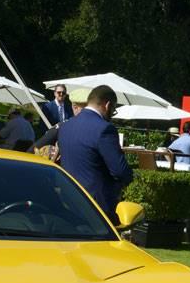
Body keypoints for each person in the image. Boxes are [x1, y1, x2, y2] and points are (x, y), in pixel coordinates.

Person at [56, 84, 133, 223]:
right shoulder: (105, 129)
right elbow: (120, 171)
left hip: (66, 202)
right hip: (96, 207)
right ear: (108, 105)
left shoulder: (65, 127)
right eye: (113, 110)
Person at [34, 90, 88, 158]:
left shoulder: (63, 125)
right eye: (86, 108)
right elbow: (35, 149)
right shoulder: (62, 126)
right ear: (75, 107)